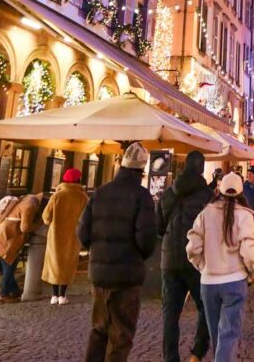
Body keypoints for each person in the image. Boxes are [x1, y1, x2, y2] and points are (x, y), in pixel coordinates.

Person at [78, 141, 157, 362]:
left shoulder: (100, 193)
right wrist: (137, 256)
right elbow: (146, 239)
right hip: (127, 276)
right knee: (121, 334)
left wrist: (98, 252)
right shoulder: (142, 197)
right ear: (142, 170)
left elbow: (83, 232)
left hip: (100, 275)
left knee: (99, 329)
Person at [186, 171, 254, 362]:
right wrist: (252, 273)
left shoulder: (205, 213)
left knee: (218, 336)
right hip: (234, 280)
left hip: (208, 282)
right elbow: (249, 250)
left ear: (219, 190)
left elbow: (193, 247)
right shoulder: (244, 215)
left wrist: (203, 266)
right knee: (228, 336)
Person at [158, 150, 212, 362]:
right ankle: (197, 353)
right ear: (201, 168)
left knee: (170, 314)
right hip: (197, 259)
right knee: (206, 308)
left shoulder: (169, 193)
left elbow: (159, 226)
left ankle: (170, 358)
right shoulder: (208, 196)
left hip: (169, 258)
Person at [0, 191, 45, 302]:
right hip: (7, 239)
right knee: (9, 267)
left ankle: (14, 290)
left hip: (1, 236)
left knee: (8, 265)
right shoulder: (30, 206)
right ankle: (4, 294)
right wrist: (39, 223)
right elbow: (25, 227)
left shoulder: (26, 199)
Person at [42, 168, 88, 304]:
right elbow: (86, 218)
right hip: (73, 236)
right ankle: (63, 295)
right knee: (68, 263)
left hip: (55, 235)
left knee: (54, 263)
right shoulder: (83, 197)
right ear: (79, 180)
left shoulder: (57, 196)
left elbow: (46, 217)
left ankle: (54, 295)